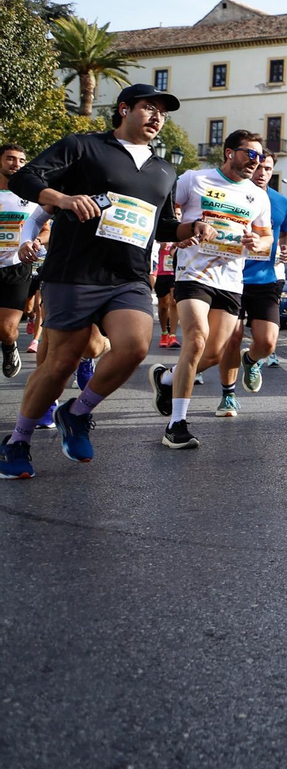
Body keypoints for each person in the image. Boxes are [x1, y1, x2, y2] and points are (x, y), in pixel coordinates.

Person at [2, 84, 194, 479]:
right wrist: (62, 198)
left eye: (162, 112)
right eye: (148, 108)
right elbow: (26, 177)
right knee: (61, 363)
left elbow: (163, 226)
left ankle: (78, 412)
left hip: (129, 276)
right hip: (75, 272)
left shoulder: (164, 169)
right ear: (124, 109)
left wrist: (193, 229)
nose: (157, 116)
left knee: (135, 347)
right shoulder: (83, 147)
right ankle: (17, 441)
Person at [147, 130, 274, 446]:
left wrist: (258, 242)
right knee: (197, 337)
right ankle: (177, 424)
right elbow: (164, 216)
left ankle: (166, 377)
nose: (255, 163)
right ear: (230, 152)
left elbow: (266, 238)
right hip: (193, 275)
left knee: (215, 352)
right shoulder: (194, 179)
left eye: (260, 157)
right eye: (250, 154)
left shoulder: (258, 195)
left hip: (231, 280)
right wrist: (181, 233)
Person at [216, 150, 287, 412]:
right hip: (232, 276)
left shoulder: (281, 201)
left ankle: (251, 360)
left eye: (268, 169)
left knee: (268, 342)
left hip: (265, 279)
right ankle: (228, 394)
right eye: (259, 167)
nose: (262, 173)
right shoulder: (232, 192)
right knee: (232, 338)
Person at [0, 144, 36, 379]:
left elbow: (45, 229)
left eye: (21, 160)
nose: (16, 164)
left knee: (6, 328)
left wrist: (34, 242)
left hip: (16, 266)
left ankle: (9, 345)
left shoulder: (30, 196)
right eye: (11, 159)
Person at [153, 240, 178, 348]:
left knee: (174, 302)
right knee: (163, 305)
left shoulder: (180, 233)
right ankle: (164, 333)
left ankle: (173, 335)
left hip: (175, 273)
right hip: (161, 273)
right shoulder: (161, 234)